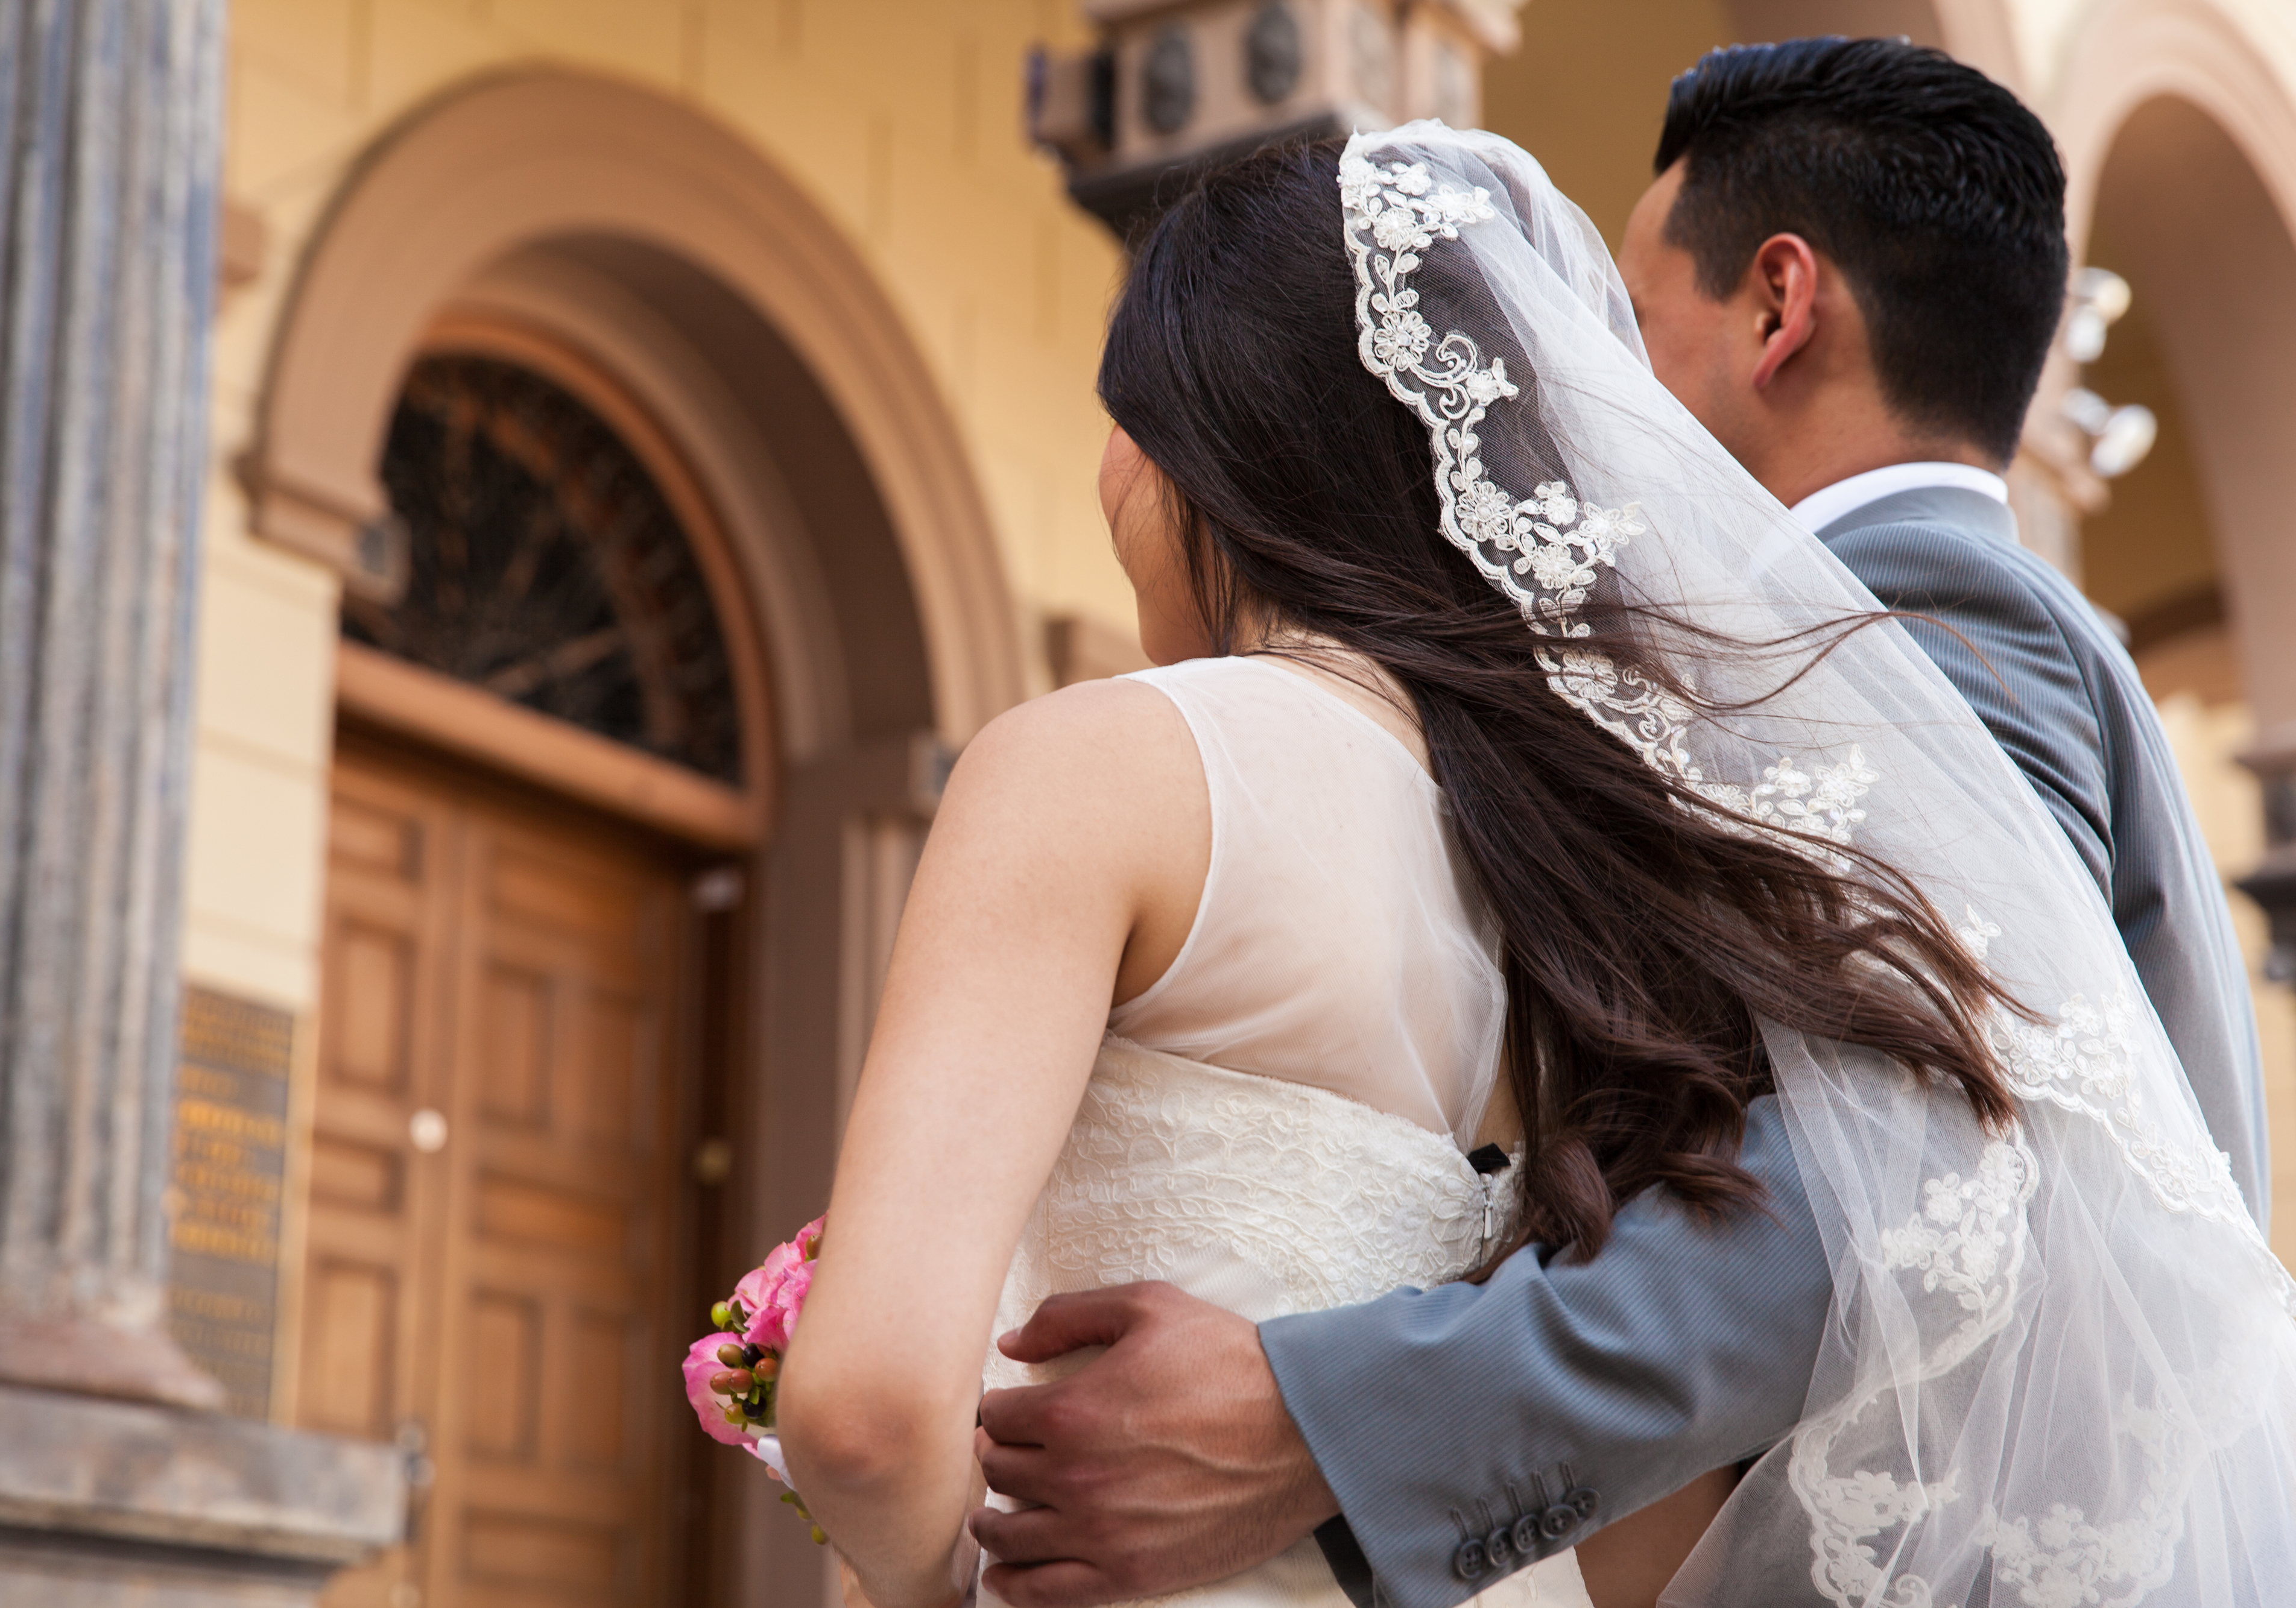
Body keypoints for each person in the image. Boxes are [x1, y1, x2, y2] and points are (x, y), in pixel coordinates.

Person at [782, 101, 2296, 1608]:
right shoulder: (1582, 855)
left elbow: (1924, 1161)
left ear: (1208, 437)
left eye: (1620, 328)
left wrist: (1305, 1429)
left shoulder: (1929, 628)